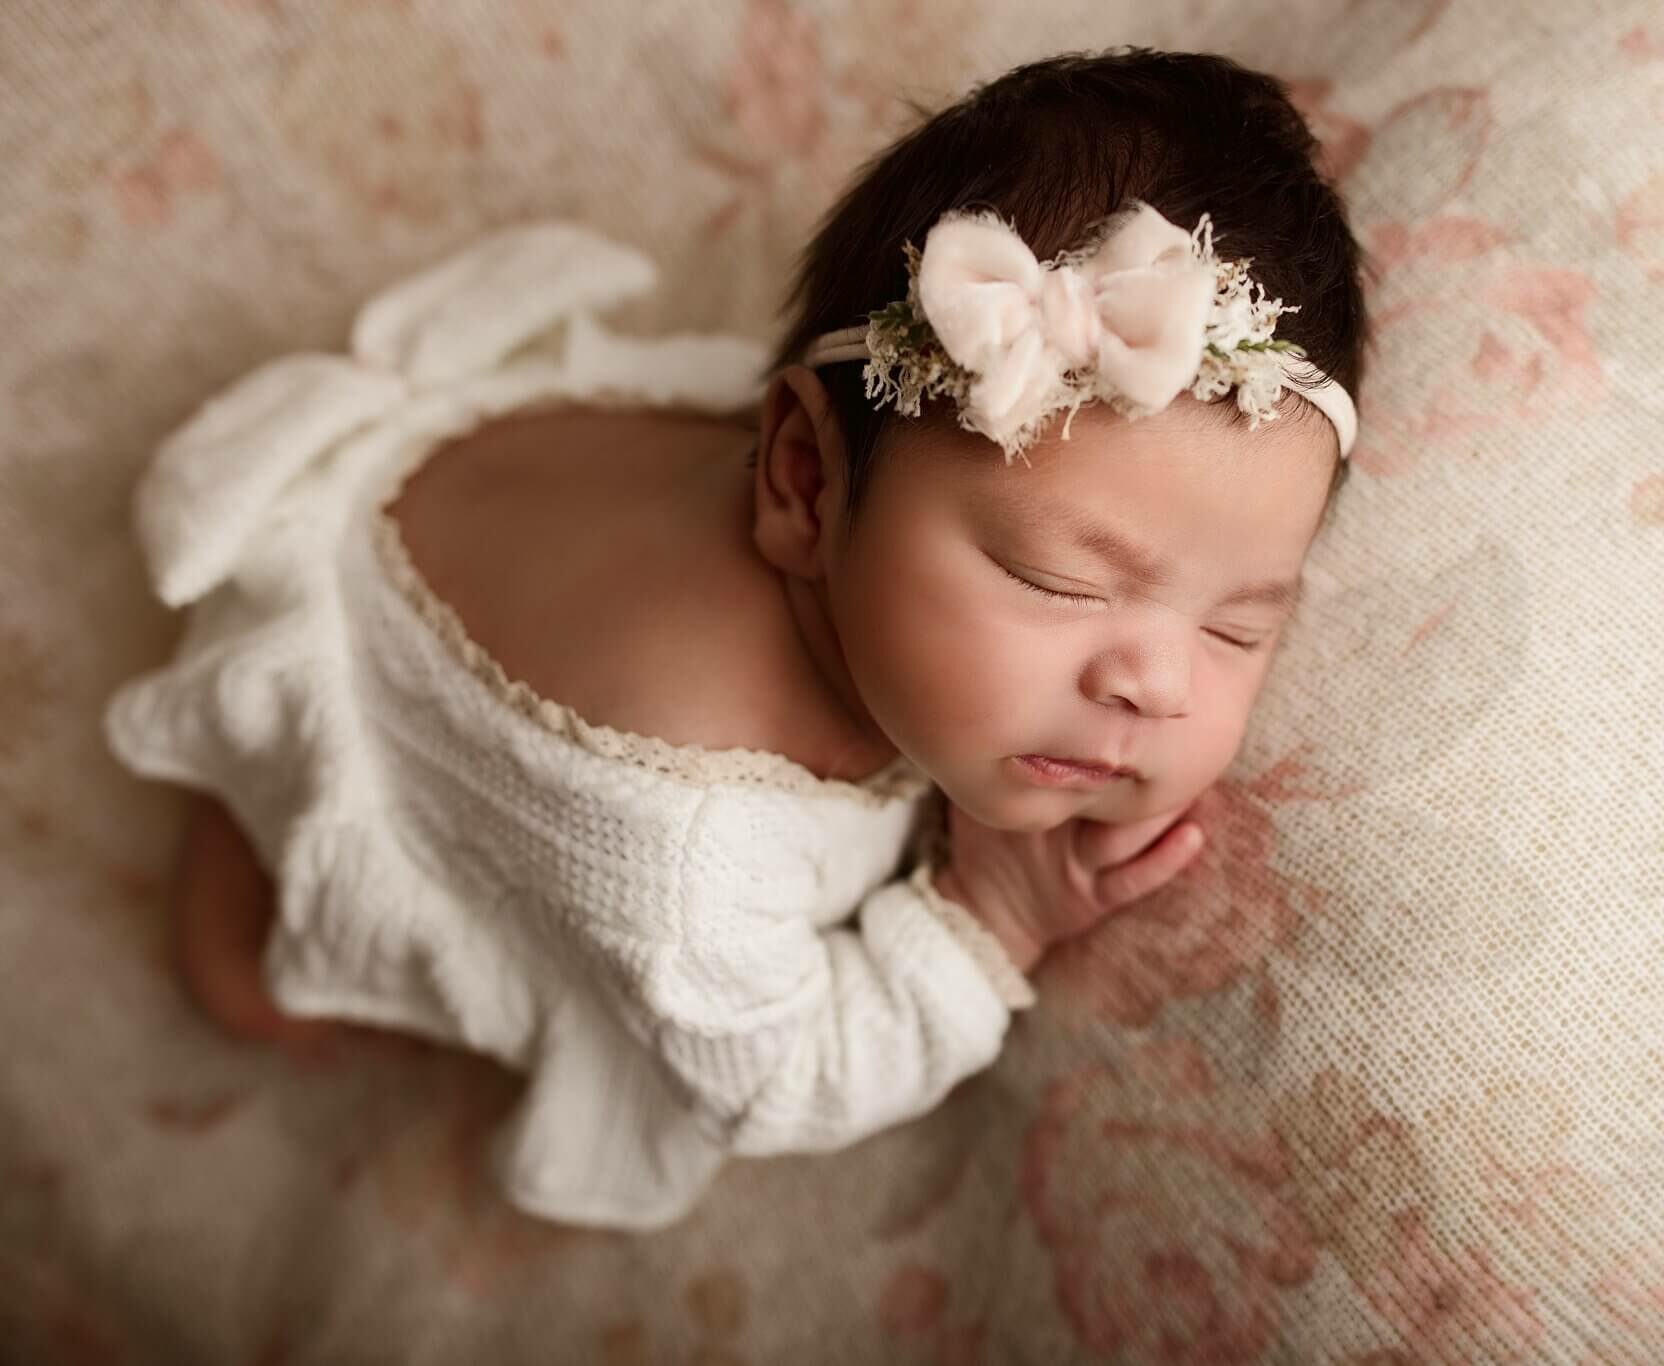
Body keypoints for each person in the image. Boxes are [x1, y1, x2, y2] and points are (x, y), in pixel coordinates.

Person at [104, 47, 1368, 1231]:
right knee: (256, 965)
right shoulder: (684, 858)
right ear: (804, 483)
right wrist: (986, 917)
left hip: (502, 490)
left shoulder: (839, 490)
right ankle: (268, 816)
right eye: (1054, 579)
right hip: (374, 668)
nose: (1152, 679)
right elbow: (771, 1081)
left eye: (1234, 622)